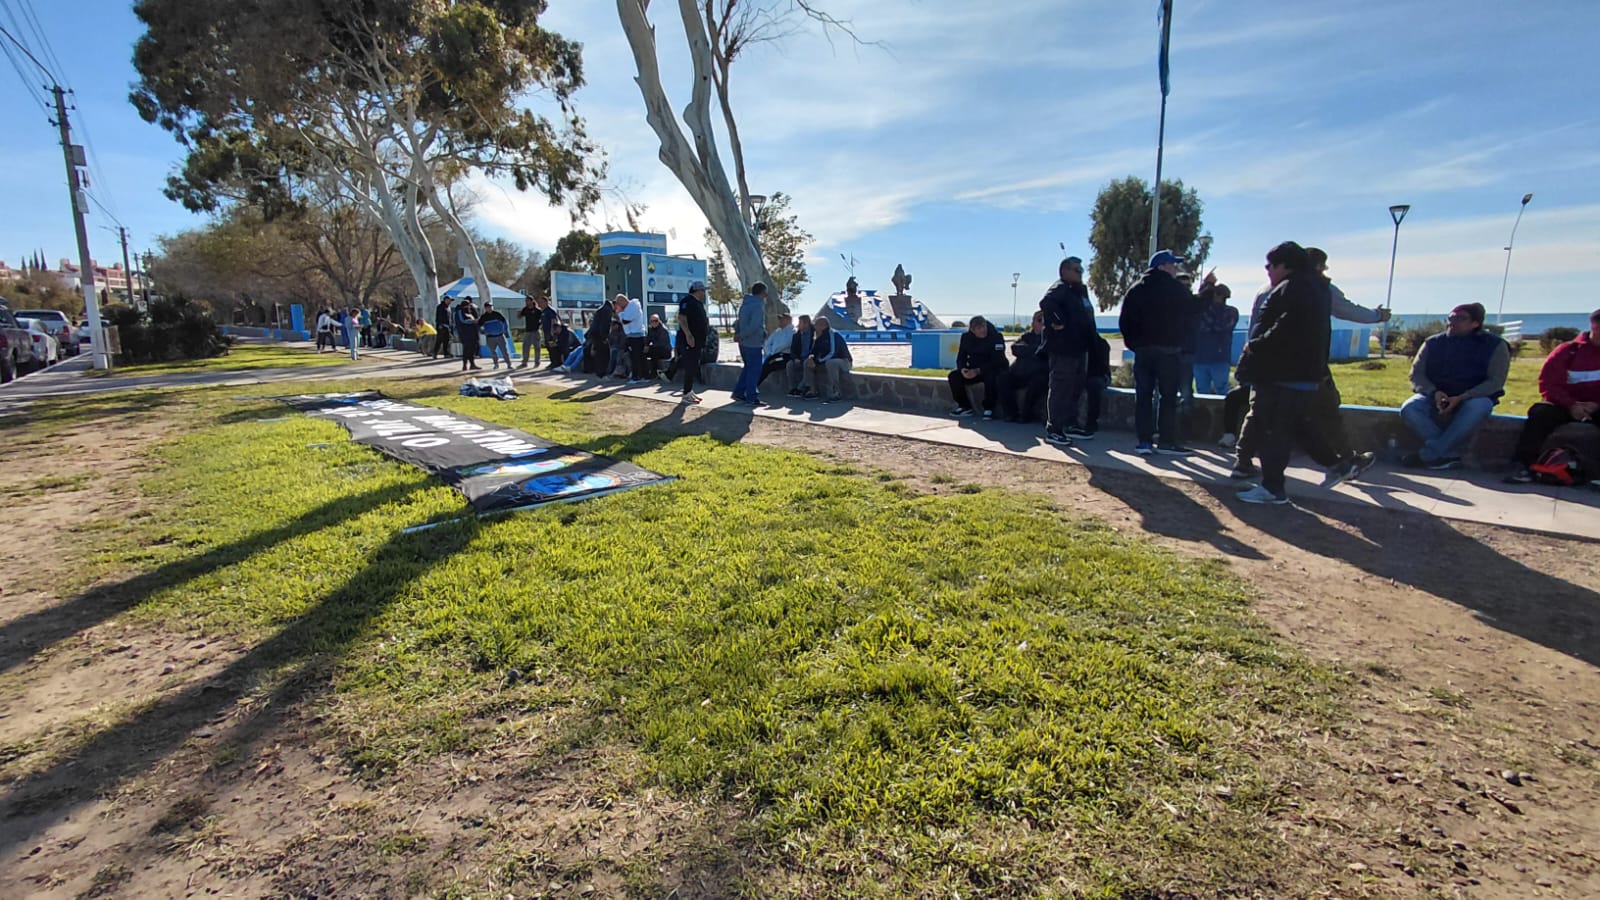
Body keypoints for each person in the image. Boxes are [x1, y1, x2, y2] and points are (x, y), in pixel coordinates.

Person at [1230, 242, 1331, 504]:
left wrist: (1256, 344)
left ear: (1284, 265)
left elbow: (1284, 328)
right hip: (1303, 372)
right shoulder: (1317, 289)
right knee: (1294, 425)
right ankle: (1337, 463)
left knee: (1274, 432)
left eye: (1269, 266)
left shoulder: (1292, 288)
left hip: (1283, 372)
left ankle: (1273, 488)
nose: (1267, 272)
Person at [1398, 302, 1509, 470]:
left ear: (1475, 323)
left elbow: (1495, 381)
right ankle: (1447, 454)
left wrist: (1463, 397)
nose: (1453, 322)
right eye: (1450, 317)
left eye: (1461, 318)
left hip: (1473, 397)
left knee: (1478, 407)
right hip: (1435, 395)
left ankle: (1429, 455)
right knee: (1410, 408)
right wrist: (1433, 392)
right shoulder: (1432, 343)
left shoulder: (1495, 346)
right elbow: (1416, 374)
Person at [1504, 308, 1600, 483]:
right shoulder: (1568, 351)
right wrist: (1572, 405)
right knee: (1540, 413)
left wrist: (1596, 404)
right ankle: (1523, 466)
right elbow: (1548, 385)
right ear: (1594, 327)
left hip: (1596, 406)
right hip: (1565, 406)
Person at [1119, 250, 1198, 455]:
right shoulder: (1177, 290)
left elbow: (1125, 321)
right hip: (1169, 352)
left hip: (1143, 352)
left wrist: (1135, 344)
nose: (1175, 268)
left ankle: (1144, 441)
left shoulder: (1136, 290)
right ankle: (1166, 441)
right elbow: (1193, 314)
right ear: (1162, 266)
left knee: (1143, 396)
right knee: (1168, 397)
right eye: (1172, 264)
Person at [1039, 256, 1098, 444]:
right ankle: (1054, 428)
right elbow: (1047, 304)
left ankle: (1069, 424)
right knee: (1061, 388)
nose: (1080, 273)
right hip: (1064, 348)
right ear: (1064, 271)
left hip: (1079, 348)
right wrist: (1058, 321)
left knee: (1075, 387)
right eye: (1076, 270)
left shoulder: (1079, 292)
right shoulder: (1060, 288)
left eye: (1081, 270)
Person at [947, 316, 1008, 419]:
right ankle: (965, 406)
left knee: (991, 377)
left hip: (993, 368)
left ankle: (989, 408)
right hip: (973, 369)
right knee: (954, 376)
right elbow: (961, 357)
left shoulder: (996, 337)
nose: (983, 330)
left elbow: (998, 360)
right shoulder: (966, 337)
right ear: (972, 330)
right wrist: (963, 370)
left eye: (984, 327)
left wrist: (978, 371)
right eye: (979, 328)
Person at [999, 311, 1048, 423]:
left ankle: (1026, 415)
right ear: (1033, 322)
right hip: (1020, 372)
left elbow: (1045, 353)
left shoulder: (1048, 337)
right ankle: (1011, 413)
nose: (1042, 323)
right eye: (1039, 320)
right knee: (1003, 379)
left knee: (1037, 383)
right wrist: (1034, 350)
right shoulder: (1027, 336)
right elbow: (1015, 348)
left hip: (1038, 373)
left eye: (1044, 320)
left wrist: (1028, 350)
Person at [1192, 283, 1239, 396]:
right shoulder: (1201, 311)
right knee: (1202, 392)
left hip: (1220, 358)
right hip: (1200, 358)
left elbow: (1219, 327)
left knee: (1222, 391)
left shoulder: (1231, 312)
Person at [733, 282, 768, 406]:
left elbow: (738, 322)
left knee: (748, 368)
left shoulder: (745, 304)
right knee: (754, 370)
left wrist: (739, 334)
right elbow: (754, 325)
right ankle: (751, 397)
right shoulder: (758, 306)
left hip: (743, 343)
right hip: (753, 343)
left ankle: (739, 392)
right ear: (762, 292)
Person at [677, 280, 712, 404]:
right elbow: (682, 318)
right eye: (702, 290)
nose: (704, 293)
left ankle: (689, 390)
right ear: (696, 290)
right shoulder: (687, 301)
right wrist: (688, 335)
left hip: (698, 341)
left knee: (694, 365)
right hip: (689, 340)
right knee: (690, 366)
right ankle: (686, 393)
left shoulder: (699, 303)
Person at [804, 315, 852, 403]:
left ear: (824, 326)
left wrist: (818, 361)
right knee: (807, 362)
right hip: (826, 361)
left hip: (844, 362)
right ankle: (812, 390)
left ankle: (836, 392)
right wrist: (811, 358)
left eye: (816, 325)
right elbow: (813, 352)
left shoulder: (833, 335)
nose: (814, 327)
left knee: (831, 363)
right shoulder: (818, 337)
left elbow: (832, 353)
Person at [615, 294, 649, 384]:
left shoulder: (633, 306)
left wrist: (620, 313)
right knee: (636, 357)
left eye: (619, 304)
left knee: (636, 357)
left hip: (636, 336)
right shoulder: (629, 308)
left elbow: (625, 321)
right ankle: (642, 376)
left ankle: (637, 377)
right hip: (632, 336)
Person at [759, 312, 795, 386]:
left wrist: (773, 353)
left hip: (784, 356)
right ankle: (752, 385)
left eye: (782, 319)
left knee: (770, 363)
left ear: (788, 321)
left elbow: (786, 344)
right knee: (764, 362)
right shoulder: (777, 332)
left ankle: (754, 385)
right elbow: (767, 343)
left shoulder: (792, 331)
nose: (780, 321)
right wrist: (769, 353)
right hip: (772, 355)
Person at [786, 314, 816, 396]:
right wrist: (795, 358)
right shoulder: (796, 336)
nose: (798, 325)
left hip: (811, 358)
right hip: (800, 358)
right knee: (790, 365)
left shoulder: (815, 333)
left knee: (807, 364)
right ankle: (793, 388)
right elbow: (793, 350)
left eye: (800, 323)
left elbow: (817, 348)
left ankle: (801, 388)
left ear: (806, 323)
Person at [584, 298, 615, 376]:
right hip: (599, 335)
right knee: (603, 355)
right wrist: (604, 337)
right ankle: (601, 373)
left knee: (598, 354)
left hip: (594, 334)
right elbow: (605, 324)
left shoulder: (601, 309)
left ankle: (598, 372)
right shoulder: (607, 310)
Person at [480, 301, 512, 368]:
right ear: (485, 308)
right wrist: (483, 332)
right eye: (488, 307)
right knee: (493, 352)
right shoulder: (483, 317)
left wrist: (506, 333)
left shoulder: (497, 314)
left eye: (491, 307)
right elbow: (480, 326)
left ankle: (509, 364)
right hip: (490, 337)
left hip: (500, 335)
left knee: (504, 351)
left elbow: (504, 323)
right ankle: (496, 364)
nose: (490, 308)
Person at [454, 299, 481, 371]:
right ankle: (464, 364)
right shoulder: (459, 311)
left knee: (472, 349)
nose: (469, 307)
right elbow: (462, 321)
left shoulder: (470, 312)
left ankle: (472, 364)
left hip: (473, 333)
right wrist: (472, 321)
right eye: (468, 306)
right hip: (465, 334)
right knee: (466, 349)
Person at [517, 295, 542, 369]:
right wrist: (519, 312)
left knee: (537, 347)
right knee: (525, 347)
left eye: (528, 301)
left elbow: (542, 319)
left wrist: (539, 325)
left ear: (532, 301)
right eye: (526, 301)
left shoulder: (537, 310)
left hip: (535, 331)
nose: (526, 302)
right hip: (528, 331)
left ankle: (537, 361)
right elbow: (519, 317)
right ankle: (524, 362)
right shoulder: (525, 309)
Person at [645, 313, 673, 378]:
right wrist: (646, 346)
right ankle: (643, 372)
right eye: (652, 321)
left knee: (654, 351)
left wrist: (650, 347)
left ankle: (654, 373)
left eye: (656, 321)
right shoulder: (650, 329)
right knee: (642, 353)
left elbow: (661, 343)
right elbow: (648, 339)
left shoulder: (663, 330)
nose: (654, 323)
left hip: (665, 351)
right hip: (655, 349)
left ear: (659, 321)